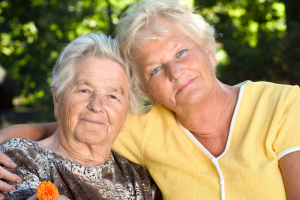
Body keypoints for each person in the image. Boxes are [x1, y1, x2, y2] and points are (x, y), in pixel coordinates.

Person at [0, 0, 300, 199]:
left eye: (181, 51)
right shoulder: (143, 129)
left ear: (209, 51)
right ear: (147, 92)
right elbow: (70, 124)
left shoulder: (282, 105)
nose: (175, 71)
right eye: (155, 69)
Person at [0, 33, 161, 200]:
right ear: (57, 98)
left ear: (127, 114)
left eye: (112, 96)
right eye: (84, 90)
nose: (96, 106)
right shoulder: (19, 157)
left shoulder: (141, 179)